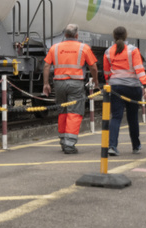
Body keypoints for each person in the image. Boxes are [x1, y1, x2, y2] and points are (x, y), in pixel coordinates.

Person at [42, 24, 103, 154]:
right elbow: (93, 67)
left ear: (65, 34)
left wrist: (46, 83)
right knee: (74, 112)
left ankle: (63, 141)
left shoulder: (55, 47)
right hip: (75, 83)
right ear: (77, 35)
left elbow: (46, 66)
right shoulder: (83, 48)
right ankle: (69, 144)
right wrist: (95, 80)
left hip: (59, 84)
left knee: (62, 111)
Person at [102, 25, 146, 155]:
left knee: (116, 117)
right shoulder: (133, 50)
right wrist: (145, 85)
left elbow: (106, 72)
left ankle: (112, 146)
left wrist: (108, 84)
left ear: (114, 36)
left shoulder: (108, 51)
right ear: (126, 36)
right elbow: (139, 69)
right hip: (133, 88)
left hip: (115, 87)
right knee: (132, 118)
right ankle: (136, 146)